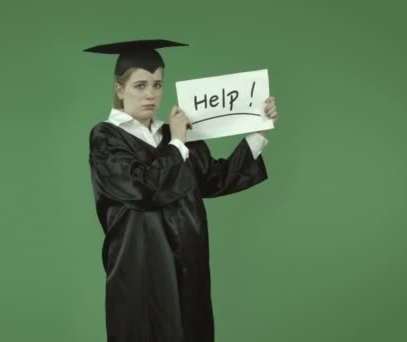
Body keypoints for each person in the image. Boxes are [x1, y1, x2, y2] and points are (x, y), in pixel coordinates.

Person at [84, 39, 278, 342]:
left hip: (188, 264)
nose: (151, 94)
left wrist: (259, 130)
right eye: (140, 85)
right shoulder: (107, 138)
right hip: (141, 268)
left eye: (157, 84)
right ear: (120, 91)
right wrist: (177, 143)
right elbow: (142, 191)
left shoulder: (173, 132)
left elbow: (214, 179)